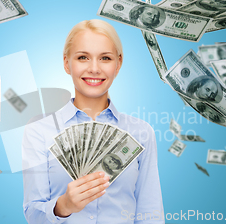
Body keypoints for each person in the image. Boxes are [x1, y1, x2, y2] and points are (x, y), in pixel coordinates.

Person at [22, 19, 163, 223]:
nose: (94, 69)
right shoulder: (39, 130)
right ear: (66, 63)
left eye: (105, 58)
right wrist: (64, 205)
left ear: (118, 64)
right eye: (83, 57)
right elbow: (32, 213)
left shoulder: (141, 133)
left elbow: (151, 213)